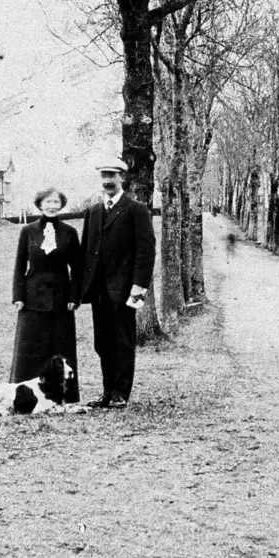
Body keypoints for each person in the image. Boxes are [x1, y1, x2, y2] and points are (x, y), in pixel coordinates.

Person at [78, 158, 155, 409]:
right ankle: (107, 391)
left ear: (123, 178)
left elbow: (145, 252)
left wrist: (138, 288)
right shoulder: (93, 211)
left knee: (123, 342)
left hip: (124, 291)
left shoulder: (136, 210)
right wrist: (81, 288)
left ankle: (121, 393)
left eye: (112, 175)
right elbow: (86, 252)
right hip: (99, 292)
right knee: (103, 343)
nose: (107, 181)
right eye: (103, 176)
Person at [10, 187, 81, 403]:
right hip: (31, 300)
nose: (51, 206)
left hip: (61, 302)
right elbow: (20, 265)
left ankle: (65, 396)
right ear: (40, 204)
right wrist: (18, 296)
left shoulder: (69, 232)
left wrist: (74, 297)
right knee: (28, 350)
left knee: (61, 349)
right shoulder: (28, 231)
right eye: (47, 202)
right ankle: (21, 397)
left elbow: (77, 268)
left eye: (55, 202)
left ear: (61, 205)